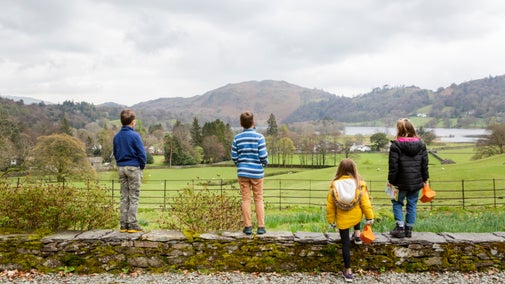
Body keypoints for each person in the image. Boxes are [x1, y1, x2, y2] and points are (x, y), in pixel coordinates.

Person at [326, 158, 374, 283]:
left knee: (345, 244)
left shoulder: (334, 185)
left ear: (340, 169)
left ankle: (348, 272)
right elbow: (365, 203)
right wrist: (370, 217)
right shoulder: (359, 184)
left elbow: (330, 206)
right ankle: (357, 235)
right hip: (356, 216)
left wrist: (331, 221)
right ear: (354, 169)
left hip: (342, 220)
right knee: (356, 211)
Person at [388, 118, 429, 238]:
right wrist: (425, 179)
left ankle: (400, 227)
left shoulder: (396, 145)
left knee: (397, 202)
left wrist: (392, 181)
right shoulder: (421, 144)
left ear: (399, 130)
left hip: (400, 182)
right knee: (412, 204)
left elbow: (393, 166)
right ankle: (409, 229)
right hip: (416, 181)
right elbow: (424, 164)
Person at [231, 111, 269, 235]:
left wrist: (240, 165)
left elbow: (234, 156)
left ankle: (248, 227)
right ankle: (261, 227)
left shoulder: (237, 138)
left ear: (241, 123)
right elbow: (263, 156)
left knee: (245, 200)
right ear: (253, 122)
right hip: (257, 173)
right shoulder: (259, 138)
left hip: (242, 173)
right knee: (258, 199)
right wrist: (264, 164)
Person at [113, 109, 147, 233]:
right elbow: (142, 154)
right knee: (134, 197)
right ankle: (132, 224)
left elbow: (116, 152)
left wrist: (120, 163)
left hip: (121, 168)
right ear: (133, 122)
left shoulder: (117, 136)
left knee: (124, 197)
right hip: (133, 167)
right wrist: (142, 166)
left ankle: (123, 225)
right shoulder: (135, 136)